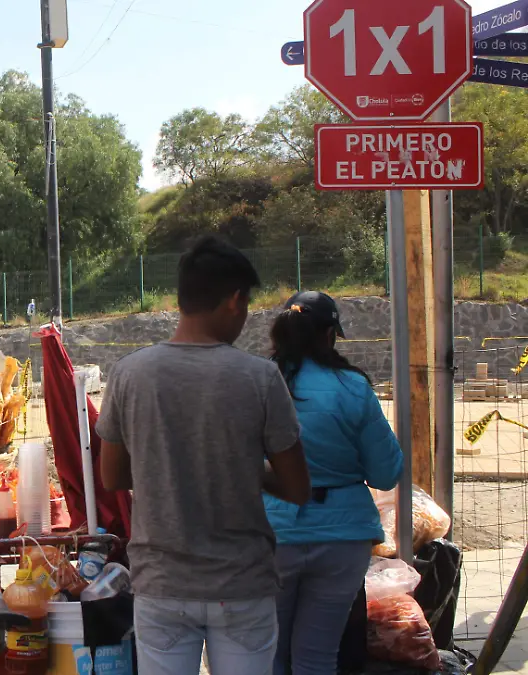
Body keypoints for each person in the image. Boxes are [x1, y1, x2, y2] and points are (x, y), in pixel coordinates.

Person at [96, 235, 311, 675]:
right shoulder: (261, 378)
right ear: (234, 300)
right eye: (247, 303)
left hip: (162, 584)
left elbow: (112, 477)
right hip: (242, 586)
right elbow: (297, 487)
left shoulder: (129, 374)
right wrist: (245, 466)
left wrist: (166, 463)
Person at [267, 291, 403, 675]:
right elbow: (385, 473)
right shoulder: (353, 388)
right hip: (343, 539)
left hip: (272, 535)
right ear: (329, 335)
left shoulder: (258, 384)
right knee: (318, 655)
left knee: (268, 652)